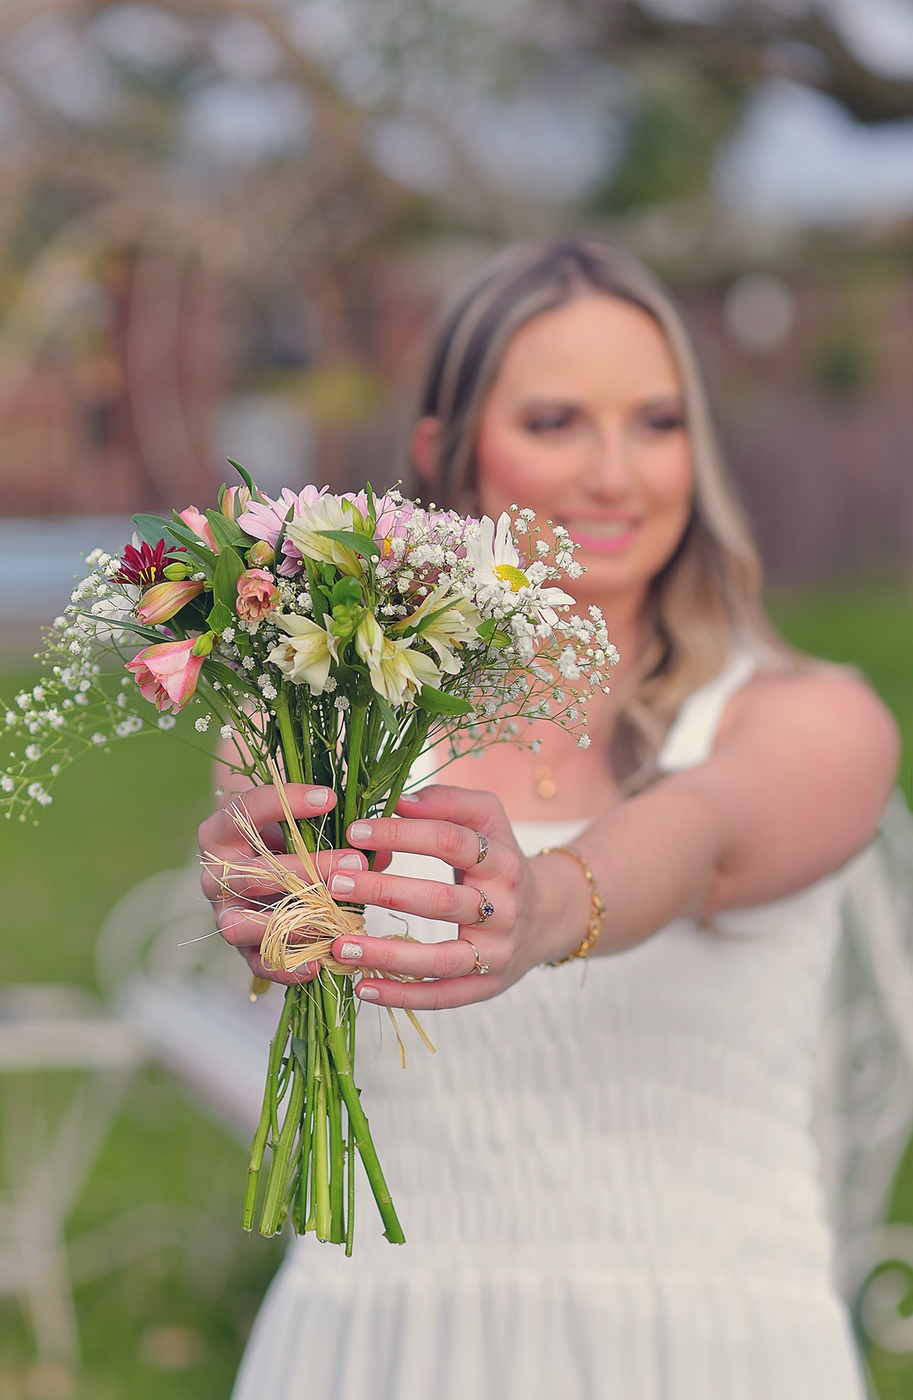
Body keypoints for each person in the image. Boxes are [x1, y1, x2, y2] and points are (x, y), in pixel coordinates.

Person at [199, 237, 898, 1399]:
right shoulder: (324, 730)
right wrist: (253, 905)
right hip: (380, 1346)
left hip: (709, 1353)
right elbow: (270, 945)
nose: (614, 474)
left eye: (657, 422)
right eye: (556, 421)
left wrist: (550, 902)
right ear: (444, 452)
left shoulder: (811, 719)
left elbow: (704, 831)